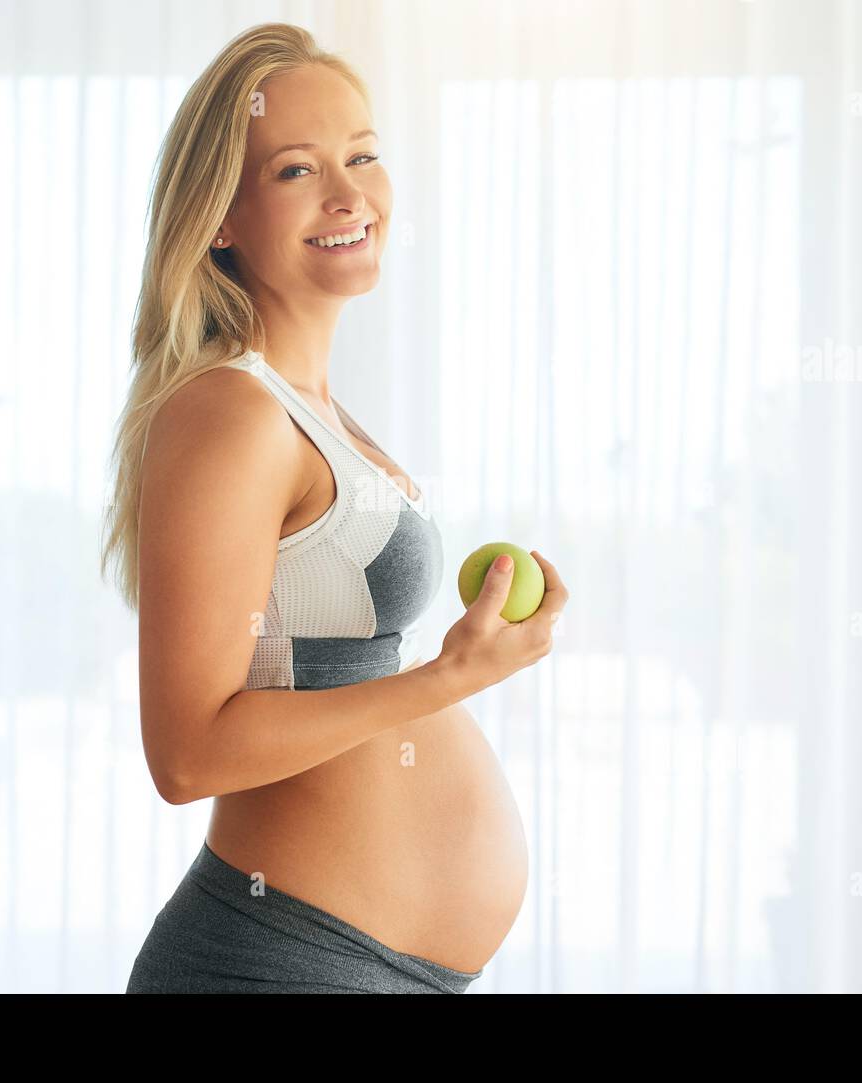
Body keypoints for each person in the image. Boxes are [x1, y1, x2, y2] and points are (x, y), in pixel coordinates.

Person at [102, 22, 569, 994]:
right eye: (296, 171)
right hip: (279, 967)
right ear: (220, 217)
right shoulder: (230, 411)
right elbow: (187, 756)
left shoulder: (306, 410)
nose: (349, 194)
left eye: (362, 156)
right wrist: (447, 678)